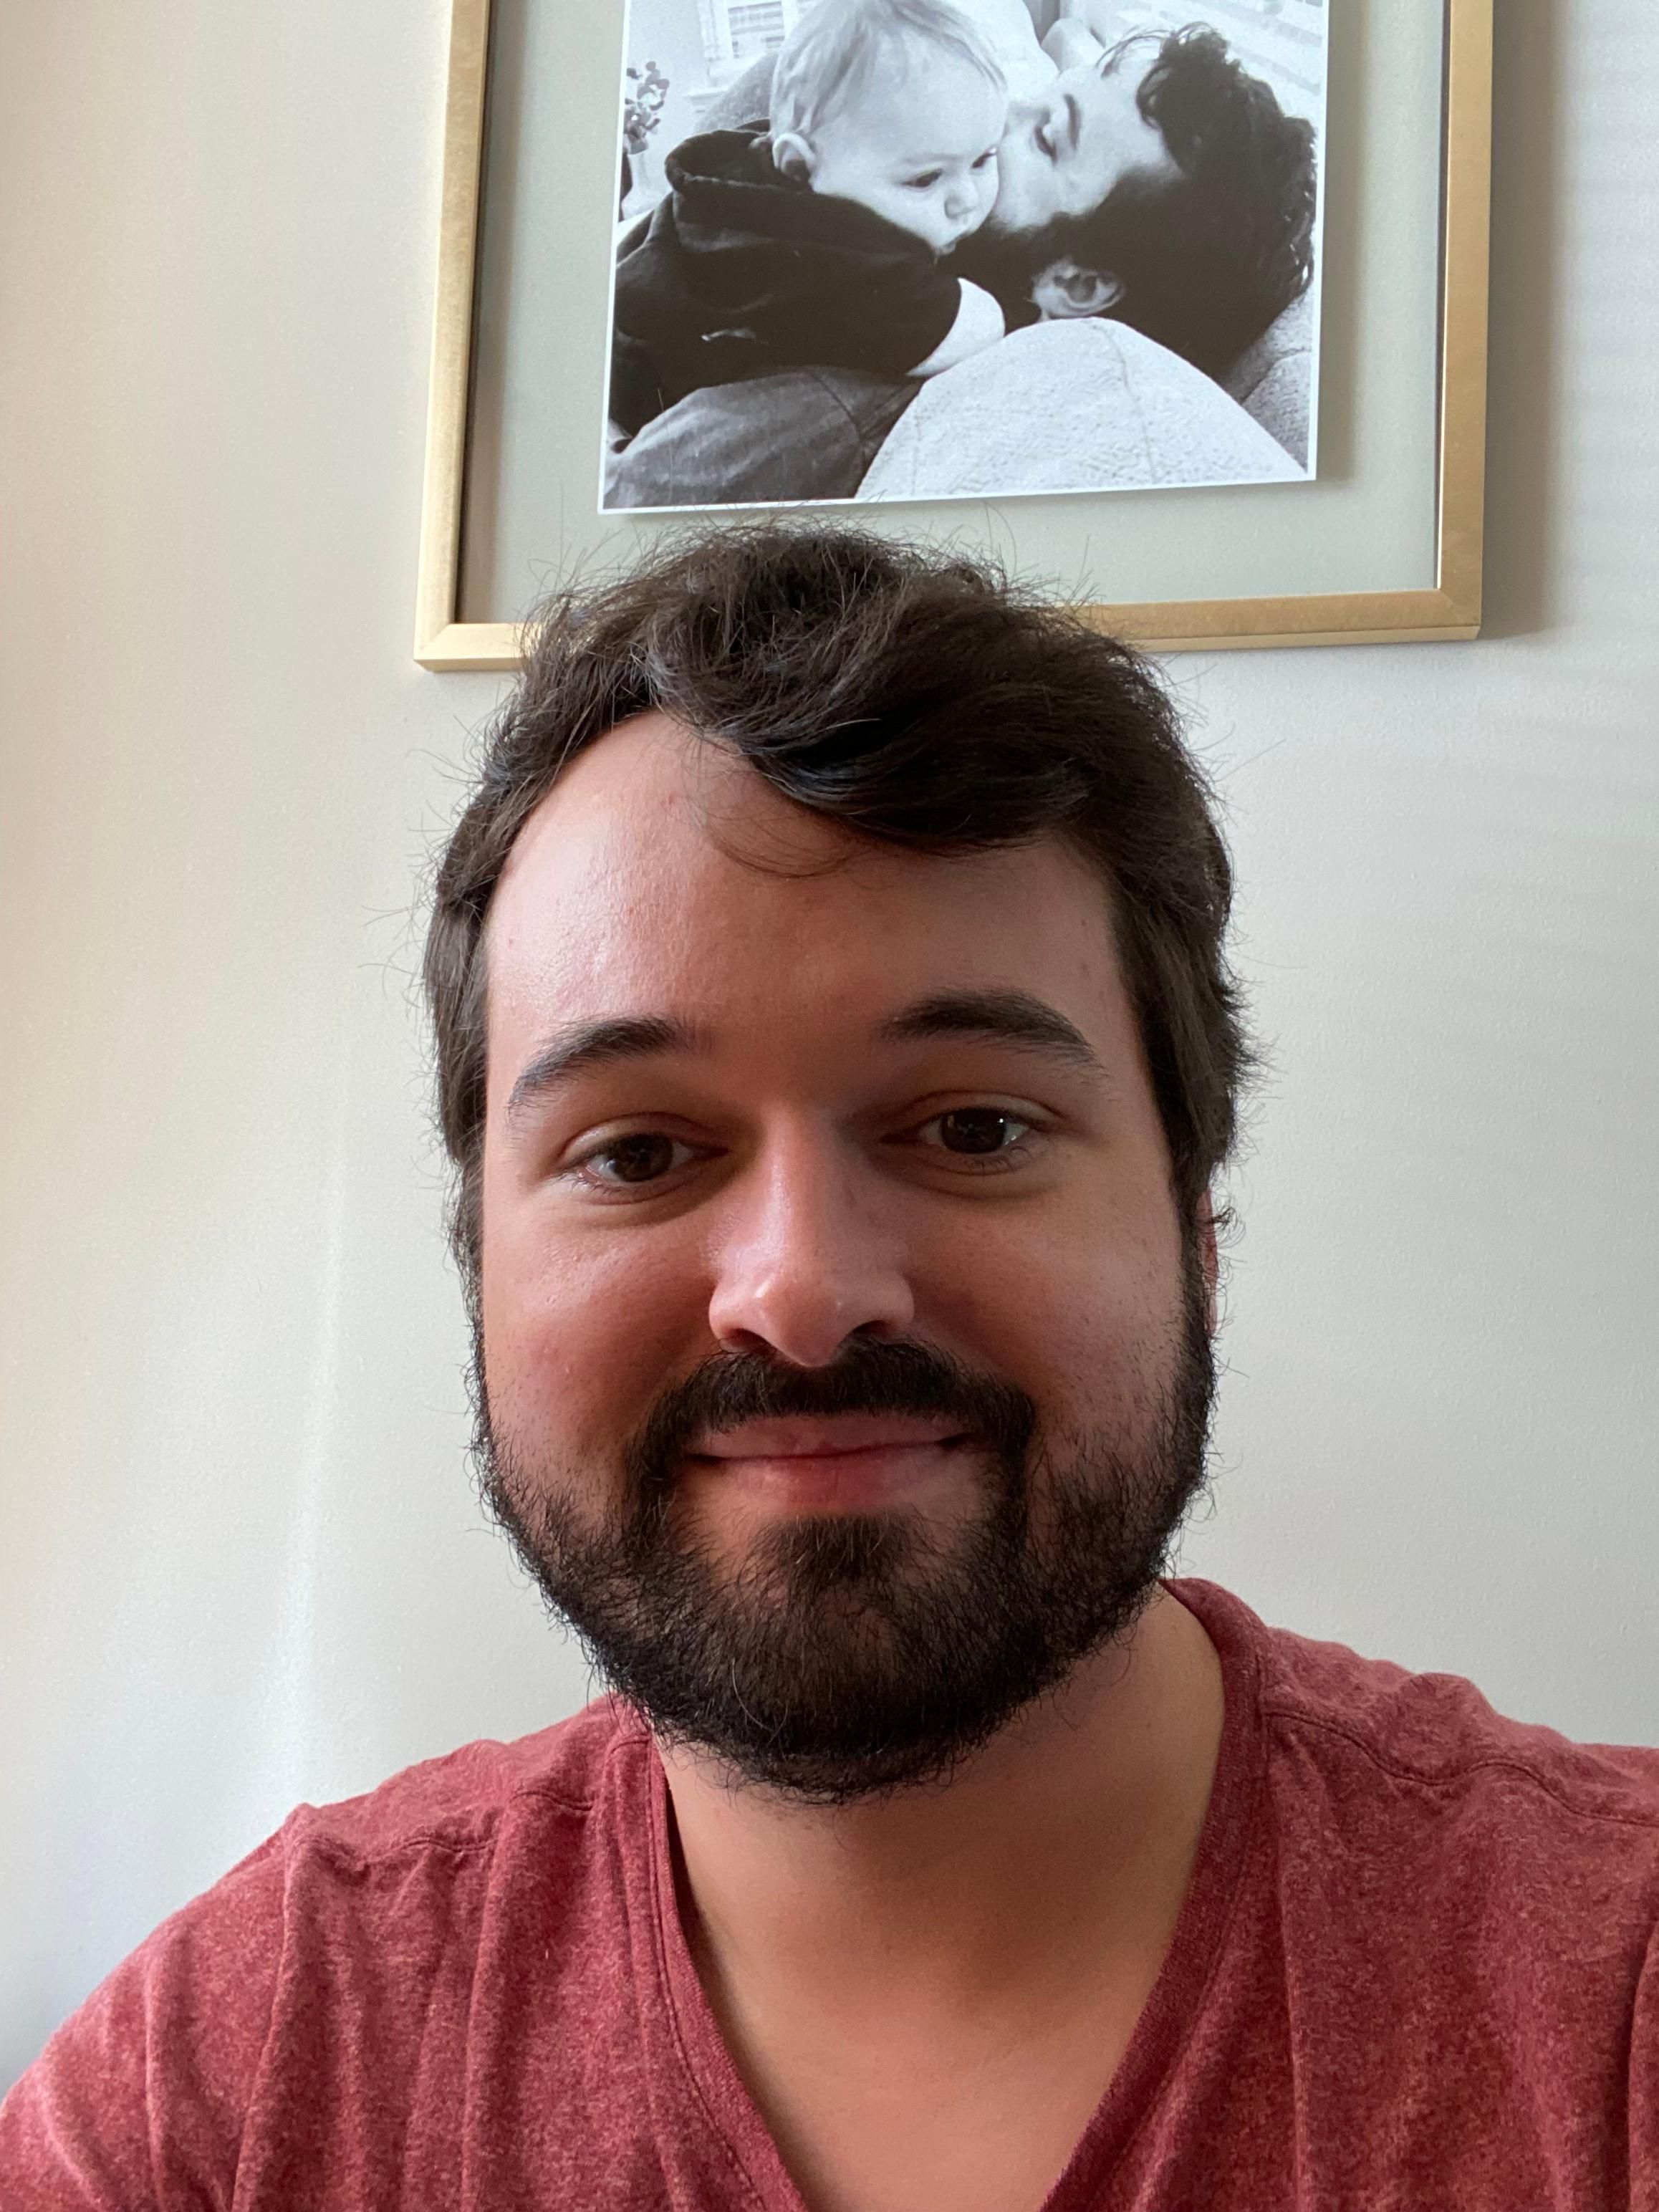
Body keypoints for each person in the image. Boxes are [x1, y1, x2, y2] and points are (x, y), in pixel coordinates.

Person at [3, 524, 1655, 2208]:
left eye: (973, 1125)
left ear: (1195, 1227)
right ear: (476, 1262)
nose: (799, 1293)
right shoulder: (231, 2086)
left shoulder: (1613, 2003)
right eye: (640, 1153)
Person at [607, 5, 1318, 504]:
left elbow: (620, 500)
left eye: (1046, 139)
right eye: (1041, 96)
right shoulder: (864, 160)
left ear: (1076, 283)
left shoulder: (854, 384)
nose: (1001, 115)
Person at [610, 0, 1011, 439]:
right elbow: (944, 325)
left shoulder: (780, 171)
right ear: (799, 168)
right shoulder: (796, 243)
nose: (967, 201)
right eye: (925, 179)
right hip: (629, 387)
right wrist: (1000, 310)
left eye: (983, 159)